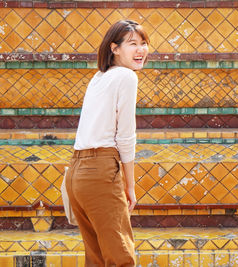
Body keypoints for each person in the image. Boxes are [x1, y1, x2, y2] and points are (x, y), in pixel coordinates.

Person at [65, 20, 149, 267]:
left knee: (97, 258)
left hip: (76, 175)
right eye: (132, 44)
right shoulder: (126, 77)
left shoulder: (99, 77)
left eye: (144, 44)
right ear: (115, 48)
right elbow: (125, 135)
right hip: (99, 171)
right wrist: (130, 185)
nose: (141, 50)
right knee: (120, 258)